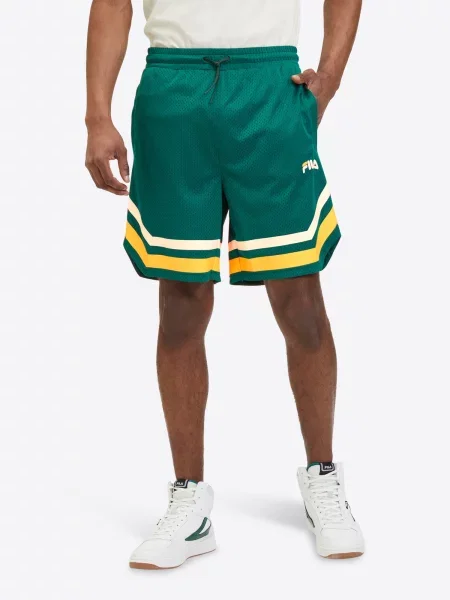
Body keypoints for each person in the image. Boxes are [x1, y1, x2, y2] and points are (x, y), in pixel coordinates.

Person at [85, 0, 364, 568]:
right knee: (181, 304)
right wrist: (97, 115)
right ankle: (189, 501)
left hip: (269, 83)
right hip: (173, 87)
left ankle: (323, 477)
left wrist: (330, 76)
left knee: (299, 297)